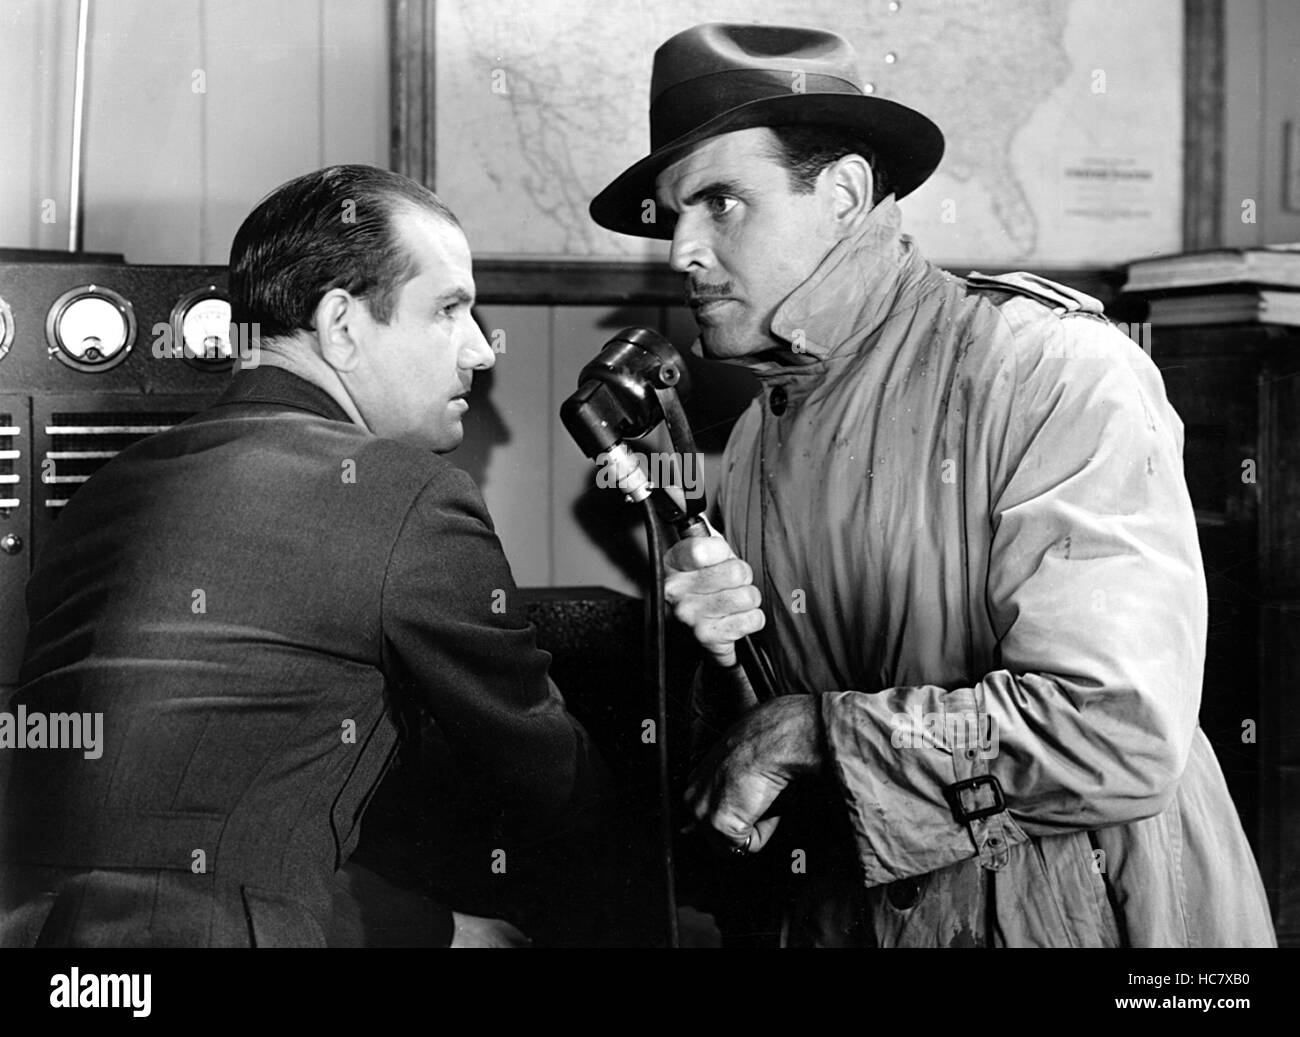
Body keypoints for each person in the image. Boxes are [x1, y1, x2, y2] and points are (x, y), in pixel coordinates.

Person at [589, 22, 1276, 947]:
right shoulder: (757, 432)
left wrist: (808, 733)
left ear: (844, 193)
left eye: (720, 201)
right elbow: (771, 749)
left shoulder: (1048, 368)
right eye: (674, 215)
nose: (682, 250)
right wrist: (724, 665)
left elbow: (1115, 732)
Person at [0, 165, 602, 947]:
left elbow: (179, 835)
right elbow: (550, 782)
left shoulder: (102, 494)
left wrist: (432, 928)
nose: (482, 351)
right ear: (343, 326)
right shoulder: (409, 494)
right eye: (450, 308)